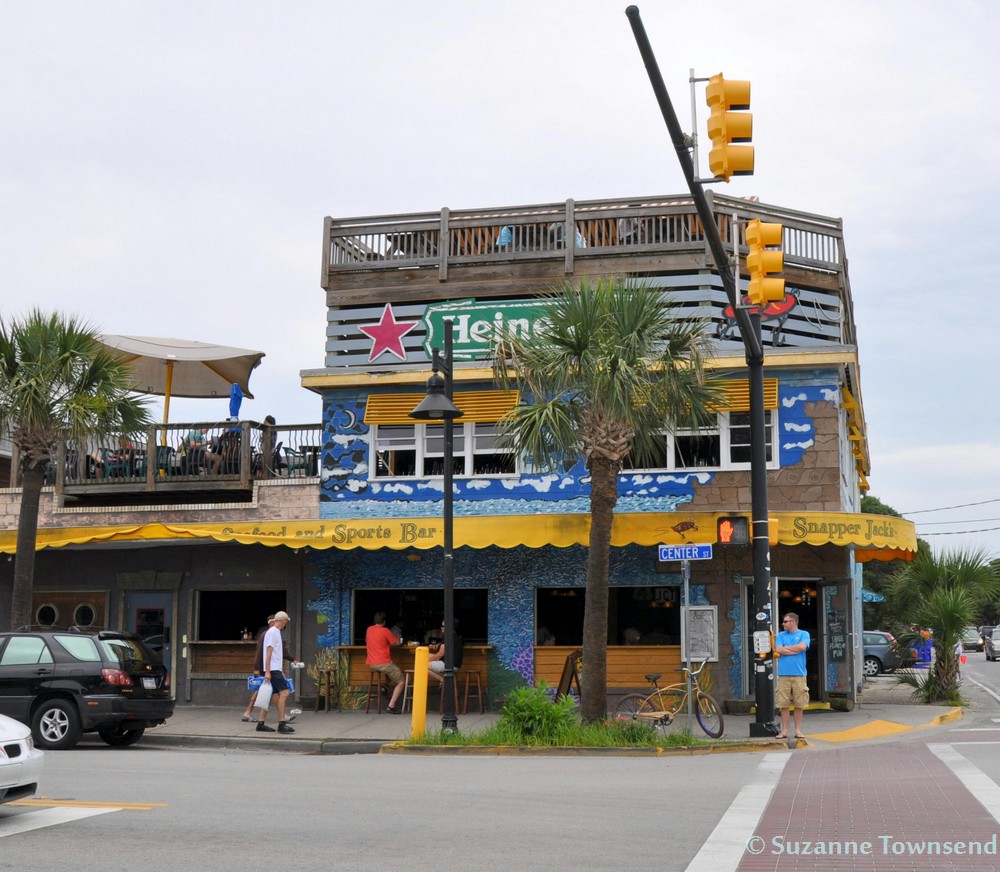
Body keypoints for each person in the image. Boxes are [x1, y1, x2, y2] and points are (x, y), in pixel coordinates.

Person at [256, 611, 297, 733]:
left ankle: (261, 723)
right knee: (284, 692)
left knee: (270, 694)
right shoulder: (274, 632)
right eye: (286, 621)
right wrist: (268, 671)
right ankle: (282, 723)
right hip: (272, 669)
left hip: (274, 669)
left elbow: (275, 653)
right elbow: (268, 652)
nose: (286, 624)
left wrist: (279, 670)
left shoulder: (273, 632)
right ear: (283, 620)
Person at [774, 612, 811, 740]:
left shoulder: (804, 634)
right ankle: (784, 730)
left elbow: (802, 647)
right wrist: (793, 649)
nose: (783, 624)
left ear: (794, 622)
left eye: (785, 622)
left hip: (799, 674)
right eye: (783, 622)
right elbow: (778, 649)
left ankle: (797, 730)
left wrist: (787, 649)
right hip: (783, 674)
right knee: (783, 704)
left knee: (799, 703)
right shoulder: (780, 635)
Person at [365, 612, 405, 713]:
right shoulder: (386, 631)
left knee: (390, 673)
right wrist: (399, 638)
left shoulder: (369, 629)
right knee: (401, 682)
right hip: (383, 663)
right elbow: (396, 643)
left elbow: (367, 641)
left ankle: (384, 687)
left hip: (372, 664)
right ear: (384, 622)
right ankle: (391, 706)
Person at [242, 615, 274, 722]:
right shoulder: (266, 634)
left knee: (262, 690)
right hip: (264, 668)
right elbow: (259, 652)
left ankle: (248, 712)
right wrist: (257, 668)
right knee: (266, 690)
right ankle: (282, 716)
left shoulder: (272, 633)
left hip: (268, 667)